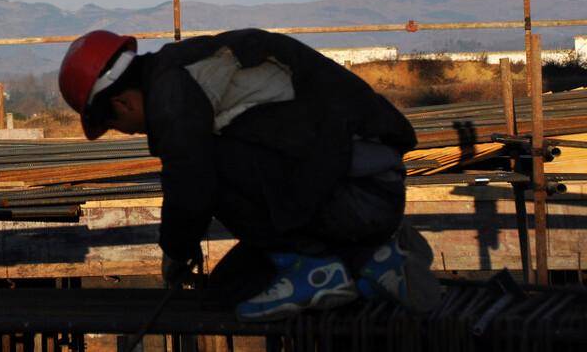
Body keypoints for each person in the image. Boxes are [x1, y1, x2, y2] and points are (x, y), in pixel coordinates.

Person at [58, 27, 425, 320]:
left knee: (206, 163)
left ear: (123, 103)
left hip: (360, 194)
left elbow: (191, 186)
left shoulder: (172, 95)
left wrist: (175, 250)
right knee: (226, 292)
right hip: (361, 191)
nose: (136, 133)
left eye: (123, 126)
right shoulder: (184, 70)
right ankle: (371, 262)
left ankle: (316, 268)